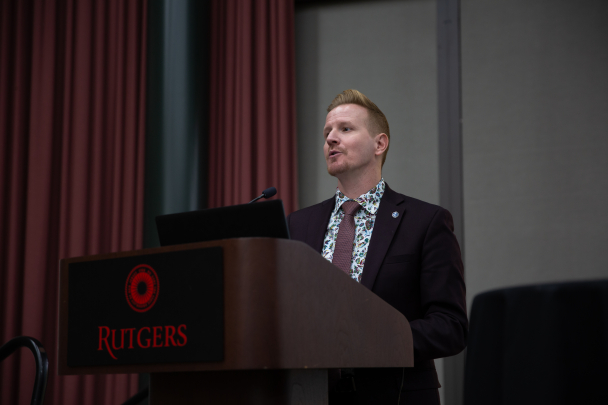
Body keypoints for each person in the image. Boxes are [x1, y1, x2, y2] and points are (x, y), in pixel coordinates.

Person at [287, 89, 468, 405]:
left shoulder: (425, 222)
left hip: (395, 394)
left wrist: (369, 340)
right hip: (312, 395)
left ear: (379, 144)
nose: (331, 138)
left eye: (345, 129)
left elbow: (449, 327)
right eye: (327, 131)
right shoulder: (298, 224)